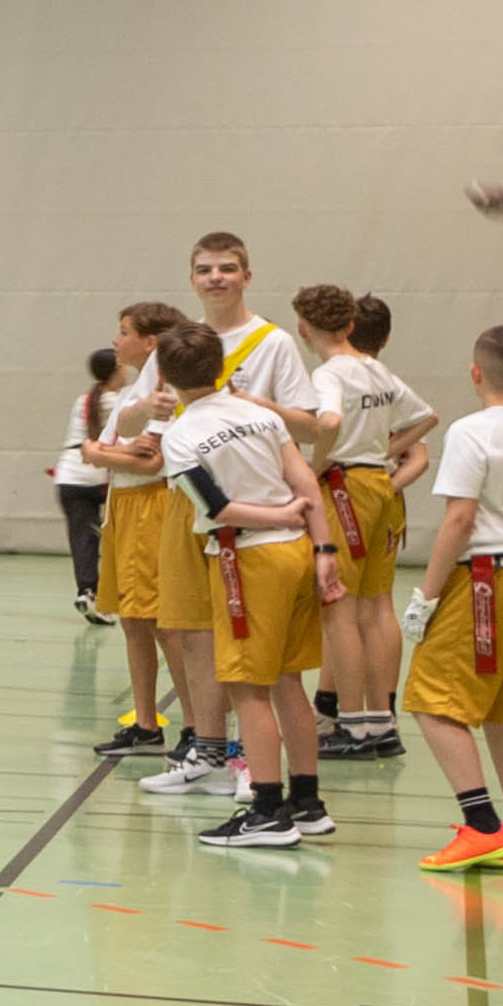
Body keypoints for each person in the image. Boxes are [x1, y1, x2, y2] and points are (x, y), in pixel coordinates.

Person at [148, 321, 343, 848]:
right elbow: (305, 481)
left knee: (248, 690)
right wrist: (323, 546)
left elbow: (217, 507)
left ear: (165, 376)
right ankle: (307, 803)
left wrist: (277, 517)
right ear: (222, 367)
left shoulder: (181, 436)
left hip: (248, 559)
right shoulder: (260, 414)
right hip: (300, 553)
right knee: (287, 681)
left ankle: (267, 812)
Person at [408, 325, 503, 874]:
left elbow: (460, 516)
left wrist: (427, 595)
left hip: (484, 578)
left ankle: (479, 826)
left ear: (474, 372)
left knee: (431, 700)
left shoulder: (472, 431)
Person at [301, 284, 418, 761]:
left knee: (340, 609)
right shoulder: (380, 371)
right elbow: (426, 421)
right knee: (377, 607)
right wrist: (381, 460)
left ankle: (350, 725)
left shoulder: (332, 373)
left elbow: (326, 425)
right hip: (381, 490)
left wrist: (316, 470)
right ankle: (380, 722)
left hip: (347, 490)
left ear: (304, 329)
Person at [92, 302, 196, 763]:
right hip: (125, 503)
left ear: (151, 342)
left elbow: (150, 458)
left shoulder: (163, 386)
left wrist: (93, 451)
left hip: (149, 505)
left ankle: (195, 724)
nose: (115, 341)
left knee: (161, 621)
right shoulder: (139, 387)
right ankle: (146, 722)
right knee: (133, 619)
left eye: (124, 332)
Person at [52, 342, 122, 621]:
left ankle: (87, 592)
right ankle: (107, 597)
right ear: (117, 371)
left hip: (68, 477)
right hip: (98, 478)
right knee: (114, 537)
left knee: (83, 539)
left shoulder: (84, 399)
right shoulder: (118, 401)